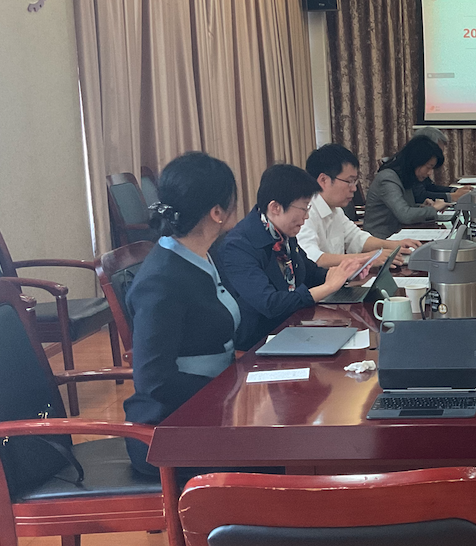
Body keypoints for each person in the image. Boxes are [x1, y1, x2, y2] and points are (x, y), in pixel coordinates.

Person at [122, 152, 243, 476]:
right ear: (217, 212)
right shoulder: (161, 279)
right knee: (276, 455)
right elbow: (154, 380)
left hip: (209, 407)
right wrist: (230, 388)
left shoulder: (204, 254)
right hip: (168, 429)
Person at [218, 164, 369, 351]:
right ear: (275, 207)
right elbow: (270, 304)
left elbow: (310, 273)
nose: (306, 217)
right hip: (258, 344)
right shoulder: (238, 246)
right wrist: (328, 287)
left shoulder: (282, 233)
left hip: (294, 327)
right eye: (303, 208)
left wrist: (345, 274)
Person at [298, 143, 420, 269]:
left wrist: (394, 245)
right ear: (324, 180)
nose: (354, 188)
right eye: (349, 181)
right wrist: (368, 258)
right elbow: (312, 258)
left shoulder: (335, 209)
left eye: (354, 181)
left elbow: (357, 238)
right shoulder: (305, 213)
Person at [363, 136, 448, 239]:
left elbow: (405, 208)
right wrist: (433, 209)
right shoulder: (388, 179)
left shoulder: (405, 176)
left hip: (399, 235)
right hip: (381, 239)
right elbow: (405, 215)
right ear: (416, 161)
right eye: (428, 167)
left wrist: (422, 208)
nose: (430, 173)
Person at [410, 127, 470, 204]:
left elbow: (429, 187)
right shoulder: (410, 164)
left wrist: (454, 191)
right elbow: (419, 196)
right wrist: (452, 196)